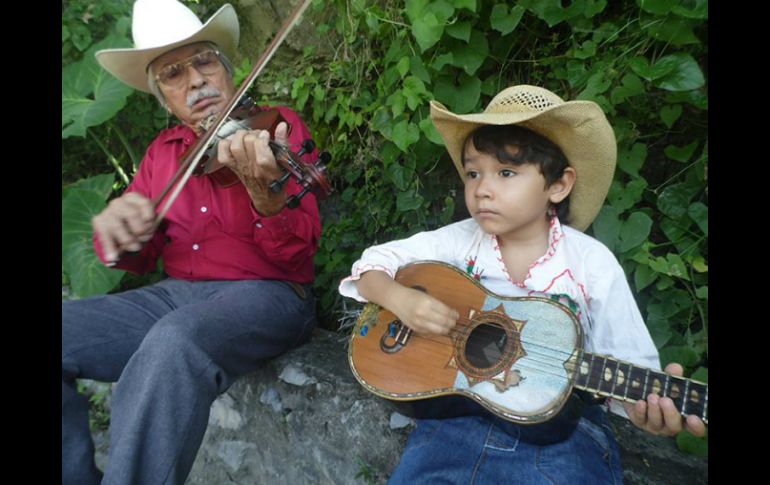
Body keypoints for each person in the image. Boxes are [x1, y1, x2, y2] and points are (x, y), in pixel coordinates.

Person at [338, 85, 706, 482]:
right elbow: (374, 264)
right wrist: (400, 298)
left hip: (564, 438)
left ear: (558, 185)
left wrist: (647, 411)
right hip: (453, 427)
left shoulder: (591, 263)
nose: (482, 188)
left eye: (506, 172)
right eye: (473, 172)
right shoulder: (460, 241)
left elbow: (633, 370)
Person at [62, 1, 321, 483]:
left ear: (226, 70)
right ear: (164, 96)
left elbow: (300, 252)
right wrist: (120, 228)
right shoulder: (162, 154)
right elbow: (137, 253)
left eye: (203, 61)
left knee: (174, 341)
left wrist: (266, 198)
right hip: (173, 294)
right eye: (173, 74)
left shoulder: (275, 127)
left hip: (267, 293)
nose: (195, 81)